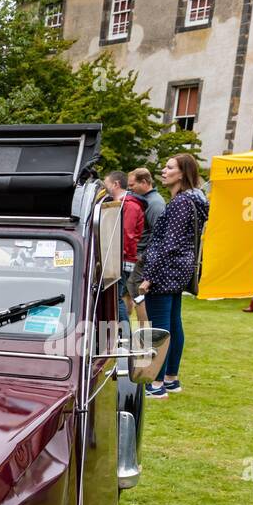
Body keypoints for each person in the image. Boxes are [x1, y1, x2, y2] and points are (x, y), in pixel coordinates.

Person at [138, 152, 209, 399]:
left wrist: (149, 277)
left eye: (169, 168)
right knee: (174, 324)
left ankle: (156, 384)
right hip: (179, 270)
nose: (164, 171)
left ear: (183, 173)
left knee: (160, 327)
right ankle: (171, 378)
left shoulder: (180, 203)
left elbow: (170, 244)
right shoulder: (194, 200)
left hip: (166, 270)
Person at [126, 167, 165, 325]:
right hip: (136, 257)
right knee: (127, 295)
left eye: (132, 185)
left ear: (144, 182)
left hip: (143, 259)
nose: (130, 189)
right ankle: (123, 333)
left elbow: (160, 235)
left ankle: (145, 340)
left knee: (139, 298)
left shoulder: (155, 203)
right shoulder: (143, 200)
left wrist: (145, 258)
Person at [103, 171, 144, 319]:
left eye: (106, 183)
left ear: (116, 184)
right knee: (114, 298)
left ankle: (124, 333)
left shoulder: (130, 206)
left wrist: (116, 256)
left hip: (121, 259)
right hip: (118, 257)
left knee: (116, 299)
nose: (104, 187)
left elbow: (126, 234)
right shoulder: (123, 204)